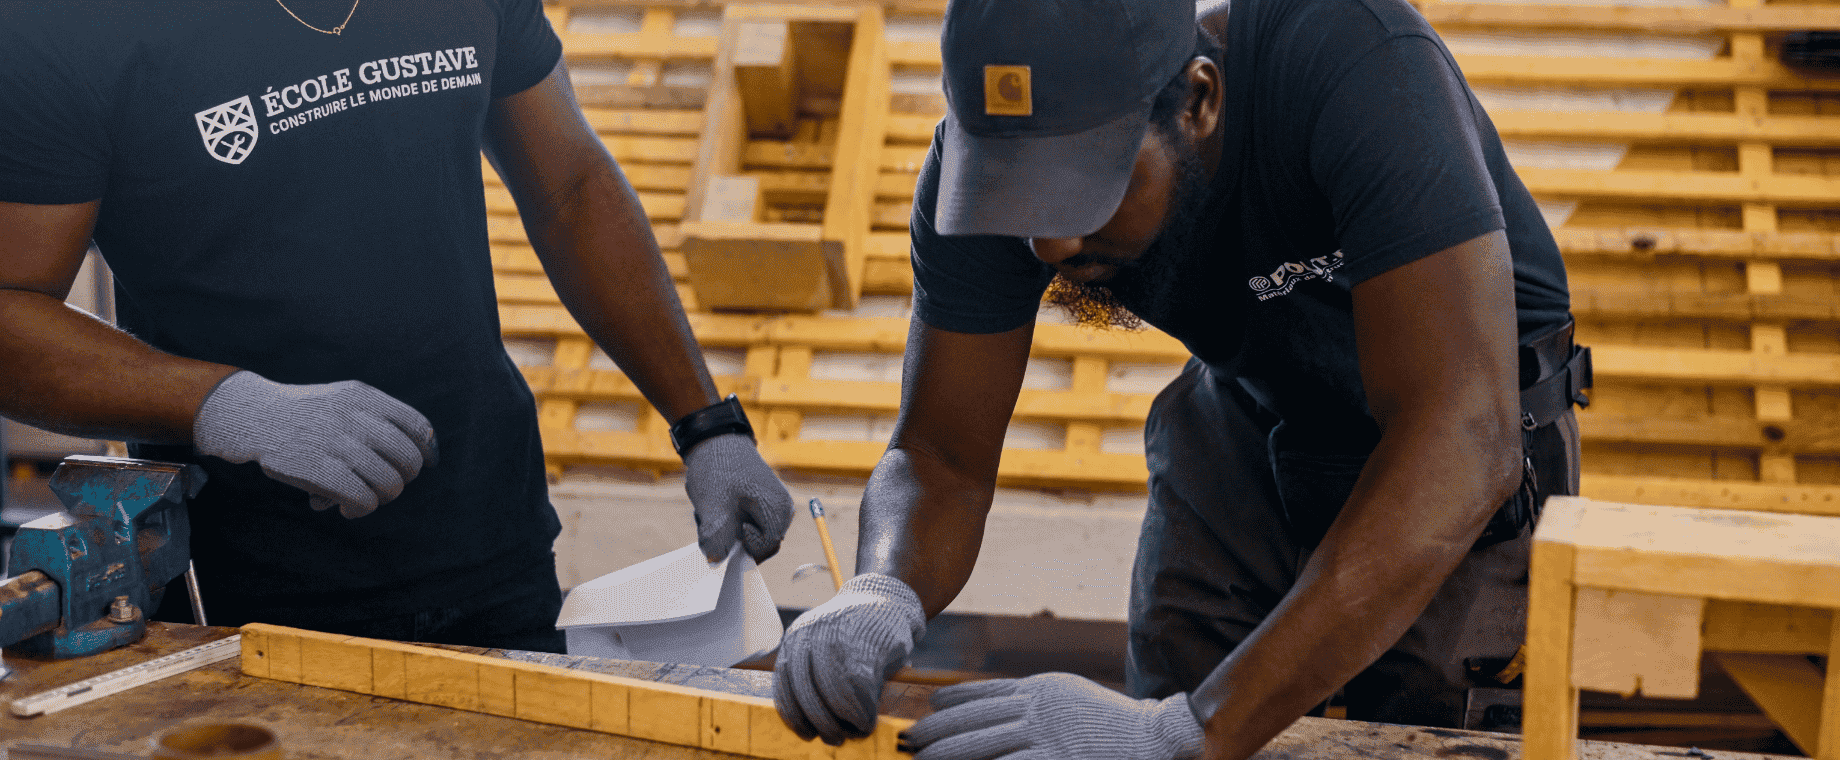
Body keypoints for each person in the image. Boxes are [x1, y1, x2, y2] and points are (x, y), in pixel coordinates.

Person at [771, 0, 1589, 756]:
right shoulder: (988, 167)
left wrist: (1192, 731)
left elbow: (1460, 435)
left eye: (1083, 190)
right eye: (1021, 195)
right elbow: (941, 457)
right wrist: (882, 592)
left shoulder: (1355, 60)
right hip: (1256, 399)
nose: (1049, 245)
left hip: (1472, 416)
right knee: (1178, 674)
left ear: (1198, 102)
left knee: (1419, 730)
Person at [0, 0, 795, 653]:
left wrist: (705, 423)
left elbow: (573, 189)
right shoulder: (71, 22)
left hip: (493, 542)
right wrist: (228, 403)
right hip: (250, 586)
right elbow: (10, 310)